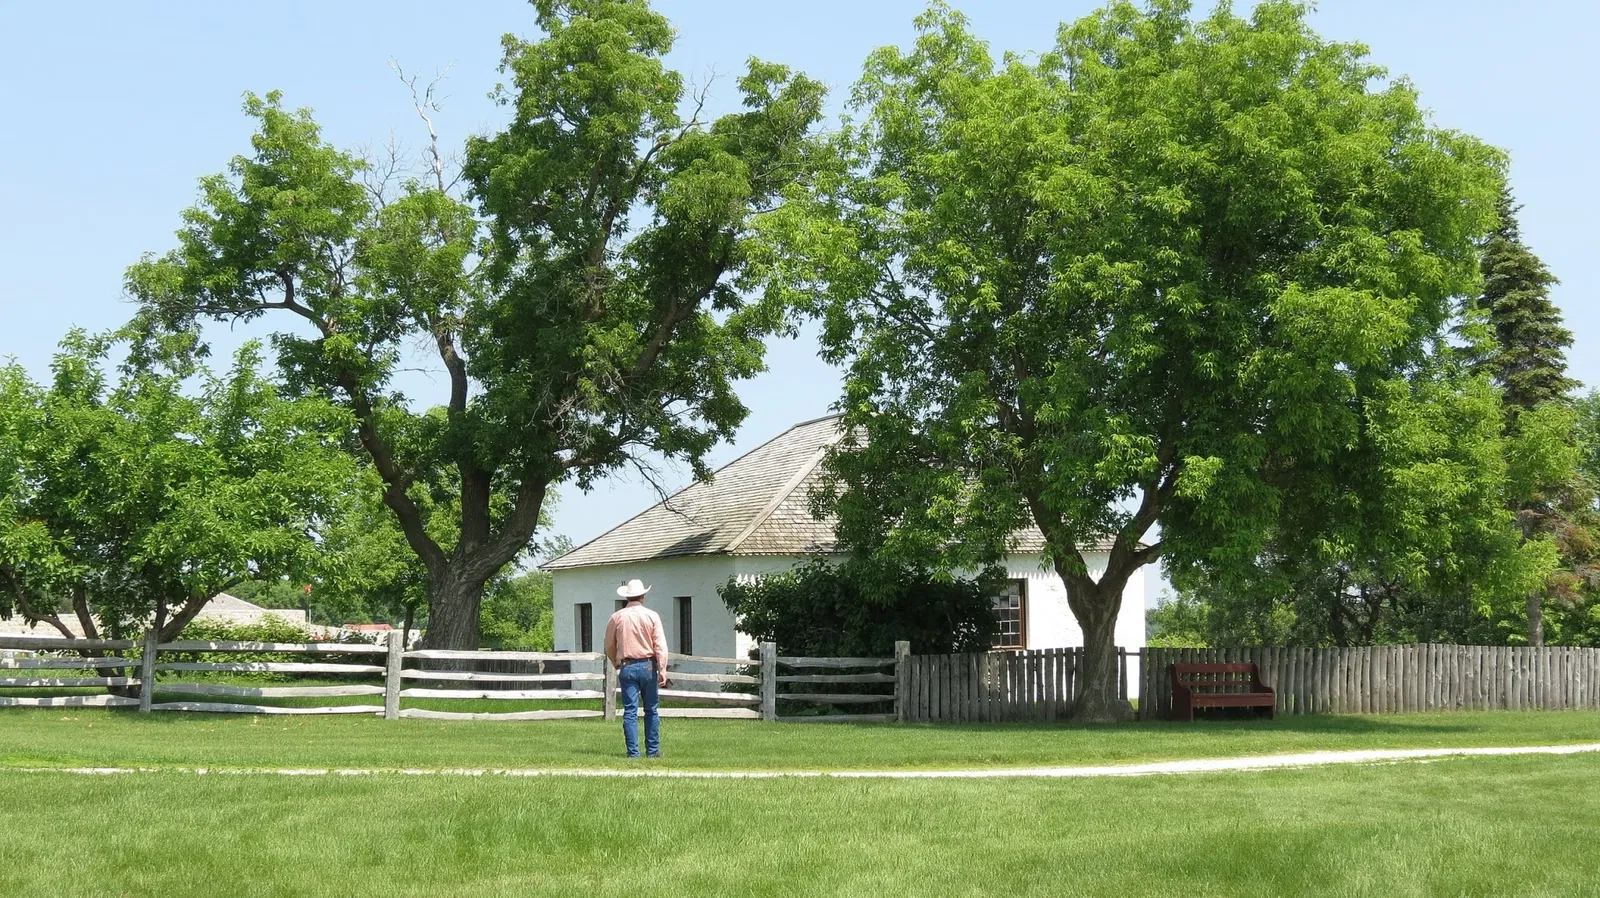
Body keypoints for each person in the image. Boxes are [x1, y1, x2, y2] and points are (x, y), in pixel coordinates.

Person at [602, 578, 669, 758]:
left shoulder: (616, 617)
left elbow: (608, 644)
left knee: (630, 711)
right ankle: (653, 750)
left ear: (626, 596)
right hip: (648, 665)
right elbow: (660, 645)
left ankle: (633, 752)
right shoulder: (652, 616)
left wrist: (615, 659)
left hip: (628, 665)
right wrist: (662, 669)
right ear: (643, 595)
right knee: (651, 709)